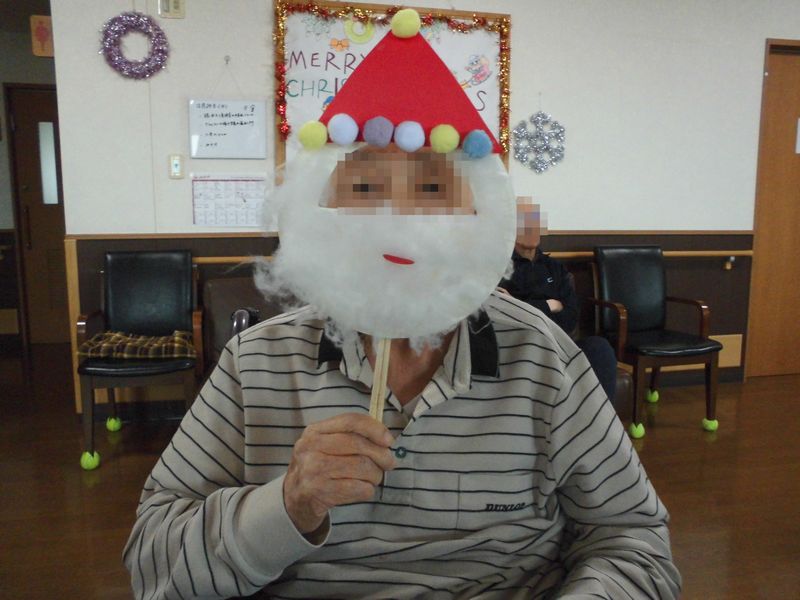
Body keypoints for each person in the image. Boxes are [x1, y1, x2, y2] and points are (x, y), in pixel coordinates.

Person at [124, 10, 680, 599]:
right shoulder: (255, 363)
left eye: (433, 189)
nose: (399, 220)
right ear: (316, 212)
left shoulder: (543, 358)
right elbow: (154, 565)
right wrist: (286, 505)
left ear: (481, 214)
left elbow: (634, 542)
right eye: (364, 189)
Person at [500, 202, 618, 401]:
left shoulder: (555, 268)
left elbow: (570, 317)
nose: (531, 228)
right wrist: (551, 305)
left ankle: (601, 419)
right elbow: (508, 314)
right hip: (523, 347)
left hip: (560, 343)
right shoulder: (500, 267)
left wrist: (524, 306)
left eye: (535, 222)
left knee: (599, 347)